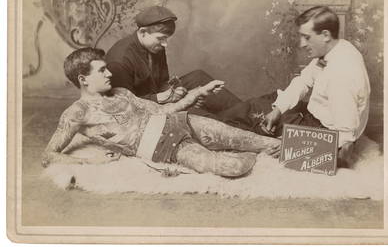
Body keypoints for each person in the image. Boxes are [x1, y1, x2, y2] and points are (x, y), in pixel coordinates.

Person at [42, 48, 281, 178]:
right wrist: (89, 160)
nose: (109, 74)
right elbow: (49, 155)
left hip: (181, 122)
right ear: (83, 79)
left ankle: (303, 150)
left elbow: (163, 109)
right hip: (164, 148)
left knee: (261, 142)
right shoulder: (76, 113)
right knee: (231, 168)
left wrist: (198, 92)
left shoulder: (122, 93)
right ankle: (253, 156)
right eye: (102, 71)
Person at [219, 6, 371, 166]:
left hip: (321, 131)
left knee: (252, 115)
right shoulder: (338, 48)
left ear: (325, 35)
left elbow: (346, 137)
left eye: (306, 37)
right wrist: (279, 109)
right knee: (267, 102)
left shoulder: (341, 74)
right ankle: (210, 120)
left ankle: (206, 125)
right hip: (316, 115)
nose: (302, 44)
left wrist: (296, 146)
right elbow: (304, 80)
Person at [105, 6, 241, 116]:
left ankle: (249, 114)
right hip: (143, 109)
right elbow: (125, 106)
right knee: (196, 114)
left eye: (166, 39)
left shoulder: (155, 45)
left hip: (158, 96)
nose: (165, 44)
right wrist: (166, 99)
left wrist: (176, 91)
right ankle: (232, 123)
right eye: (161, 38)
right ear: (143, 32)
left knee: (199, 77)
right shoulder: (120, 61)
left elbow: (163, 81)